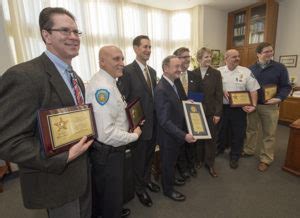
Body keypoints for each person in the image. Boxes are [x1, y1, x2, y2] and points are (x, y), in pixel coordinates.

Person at [0, 7, 93, 218]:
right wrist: (61, 158)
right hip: (55, 181)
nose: (74, 37)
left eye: (76, 32)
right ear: (46, 35)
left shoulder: (75, 78)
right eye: (65, 31)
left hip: (82, 174)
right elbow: (6, 140)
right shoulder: (24, 76)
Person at [86, 45, 142, 218]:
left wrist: (132, 121)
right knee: (110, 192)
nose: (122, 63)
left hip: (109, 150)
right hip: (108, 152)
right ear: (102, 62)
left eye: (122, 59)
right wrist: (134, 135)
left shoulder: (108, 81)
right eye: (116, 59)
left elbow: (116, 112)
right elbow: (106, 133)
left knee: (110, 193)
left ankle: (113, 210)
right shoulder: (104, 89)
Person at [118, 35, 159, 207]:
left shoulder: (153, 72)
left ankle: (147, 180)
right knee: (139, 159)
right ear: (135, 49)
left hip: (154, 123)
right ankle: (139, 189)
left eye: (150, 47)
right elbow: (124, 100)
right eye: (145, 47)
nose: (148, 50)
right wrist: (131, 126)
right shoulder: (126, 71)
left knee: (150, 156)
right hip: (139, 126)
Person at [243, 42, 291, 172]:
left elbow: (286, 86)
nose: (270, 53)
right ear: (258, 54)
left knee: (269, 133)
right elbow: (245, 87)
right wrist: (245, 102)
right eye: (266, 52)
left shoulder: (280, 68)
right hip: (253, 105)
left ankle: (266, 159)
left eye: (271, 51)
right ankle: (248, 150)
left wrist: (279, 98)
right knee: (251, 130)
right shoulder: (250, 69)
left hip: (270, 107)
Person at [155, 55, 196, 201]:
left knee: (171, 162)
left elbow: (174, 104)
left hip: (175, 134)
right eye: (176, 67)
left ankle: (171, 180)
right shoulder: (161, 89)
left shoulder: (172, 83)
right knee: (168, 163)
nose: (180, 69)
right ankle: (168, 190)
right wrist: (184, 135)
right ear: (166, 69)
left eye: (180, 66)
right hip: (168, 136)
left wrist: (185, 103)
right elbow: (164, 121)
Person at [217, 49, 260, 169]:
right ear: (226, 59)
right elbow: (213, 89)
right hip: (223, 107)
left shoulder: (246, 72)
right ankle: (220, 149)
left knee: (238, 133)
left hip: (239, 109)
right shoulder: (218, 72)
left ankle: (235, 156)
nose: (237, 58)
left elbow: (253, 89)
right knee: (221, 130)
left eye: (238, 56)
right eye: (234, 57)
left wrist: (254, 105)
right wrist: (221, 90)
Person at [193, 47, 223, 177]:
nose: (209, 59)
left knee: (211, 139)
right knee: (199, 138)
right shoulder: (193, 73)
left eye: (210, 56)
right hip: (197, 112)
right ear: (199, 59)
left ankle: (210, 164)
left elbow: (219, 95)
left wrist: (218, 113)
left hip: (211, 112)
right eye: (206, 57)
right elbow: (193, 94)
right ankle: (199, 160)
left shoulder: (216, 74)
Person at [173, 47, 201, 180]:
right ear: (177, 59)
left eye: (188, 56)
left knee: (192, 143)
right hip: (178, 118)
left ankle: (191, 165)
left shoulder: (195, 75)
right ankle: (182, 168)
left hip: (192, 116)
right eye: (184, 57)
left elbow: (200, 96)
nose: (188, 59)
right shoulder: (173, 77)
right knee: (180, 143)